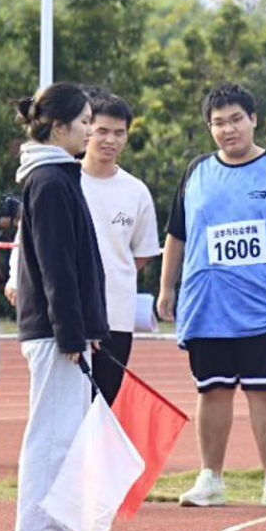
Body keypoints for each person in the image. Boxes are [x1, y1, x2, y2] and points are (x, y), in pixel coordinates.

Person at [157, 84, 266, 512]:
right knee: (212, 390)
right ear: (209, 128)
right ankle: (210, 478)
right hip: (207, 305)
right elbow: (177, 233)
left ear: (253, 120)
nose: (228, 129)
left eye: (235, 120)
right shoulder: (196, 171)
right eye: (218, 123)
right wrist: (167, 287)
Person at [10, 82, 108, 531]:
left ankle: (56, 525)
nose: (91, 131)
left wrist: (87, 327)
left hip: (63, 330)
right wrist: (70, 331)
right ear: (58, 125)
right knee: (51, 432)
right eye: (85, 122)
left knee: (65, 432)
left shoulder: (59, 176)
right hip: (53, 332)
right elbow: (57, 266)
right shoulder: (49, 181)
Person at [76, 92, 162, 405]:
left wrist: (113, 273)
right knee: (66, 406)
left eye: (119, 132)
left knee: (102, 405)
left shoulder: (136, 191)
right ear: (86, 129)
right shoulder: (62, 181)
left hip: (117, 316)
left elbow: (142, 252)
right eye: (102, 131)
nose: (110, 140)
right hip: (71, 314)